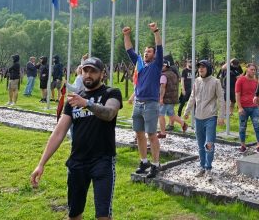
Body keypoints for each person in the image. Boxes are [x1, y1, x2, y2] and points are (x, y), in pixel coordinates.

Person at [30, 57, 123, 220]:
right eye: (85, 71)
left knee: (103, 216)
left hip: (103, 161)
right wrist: (41, 164)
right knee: (74, 215)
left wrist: (86, 103)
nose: (88, 74)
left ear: (102, 74)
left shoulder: (111, 93)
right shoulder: (73, 100)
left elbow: (109, 114)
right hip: (77, 162)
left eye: (93, 71)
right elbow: (58, 133)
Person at [123, 23, 162, 178]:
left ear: (154, 55)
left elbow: (159, 46)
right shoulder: (139, 64)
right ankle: (144, 161)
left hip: (151, 104)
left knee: (152, 135)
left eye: (149, 51)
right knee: (139, 134)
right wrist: (126, 35)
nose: (146, 53)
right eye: (145, 51)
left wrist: (156, 32)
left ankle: (155, 164)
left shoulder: (157, 65)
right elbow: (129, 51)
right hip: (138, 104)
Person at [184, 60, 224, 181]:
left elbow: (221, 99)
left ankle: (208, 169)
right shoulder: (196, 81)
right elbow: (192, 97)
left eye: (203, 67)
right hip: (198, 117)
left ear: (208, 68)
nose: (200, 69)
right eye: (199, 67)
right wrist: (187, 111)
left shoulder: (215, 82)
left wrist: (221, 116)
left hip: (211, 117)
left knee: (209, 144)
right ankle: (202, 167)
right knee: (200, 145)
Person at [235, 63, 259, 153]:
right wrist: (239, 107)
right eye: (252, 69)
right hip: (243, 108)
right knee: (242, 127)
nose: (253, 71)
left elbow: (257, 95)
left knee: (257, 126)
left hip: (254, 107)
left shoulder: (256, 82)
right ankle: (243, 145)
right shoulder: (240, 80)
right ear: (247, 69)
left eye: (254, 70)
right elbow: (237, 95)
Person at [158, 59, 188, 137]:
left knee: (160, 114)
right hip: (172, 98)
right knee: (171, 114)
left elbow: (163, 87)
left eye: (162, 65)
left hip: (165, 98)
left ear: (165, 66)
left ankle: (162, 132)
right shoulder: (174, 74)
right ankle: (183, 124)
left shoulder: (164, 75)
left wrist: (161, 98)